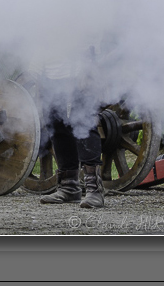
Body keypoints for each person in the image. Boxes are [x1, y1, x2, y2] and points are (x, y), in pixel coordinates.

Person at [37, 47, 105, 209]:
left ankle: (94, 190)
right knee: (56, 125)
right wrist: (40, 77)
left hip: (79, 70)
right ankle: (69, 187)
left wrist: (88, 70)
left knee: (84, 123)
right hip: (50, 74)